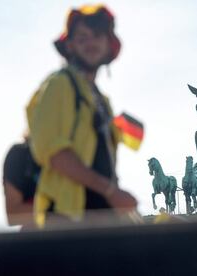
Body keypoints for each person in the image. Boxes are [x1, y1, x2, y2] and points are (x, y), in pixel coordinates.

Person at [26, 4, 137, 227]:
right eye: (82, 37)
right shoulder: (60, 84)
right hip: (67, 220)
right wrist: (111, 191)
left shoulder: (101, 100)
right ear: (71, 46)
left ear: (107, 45)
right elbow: (55, 154)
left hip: (101, 218)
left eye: (97, 36)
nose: (90, 43)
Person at [2, 138, 39, 226]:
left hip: (74, 235)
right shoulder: (19, 155)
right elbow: (13, 214)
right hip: (35, 236)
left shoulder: (76, 151)